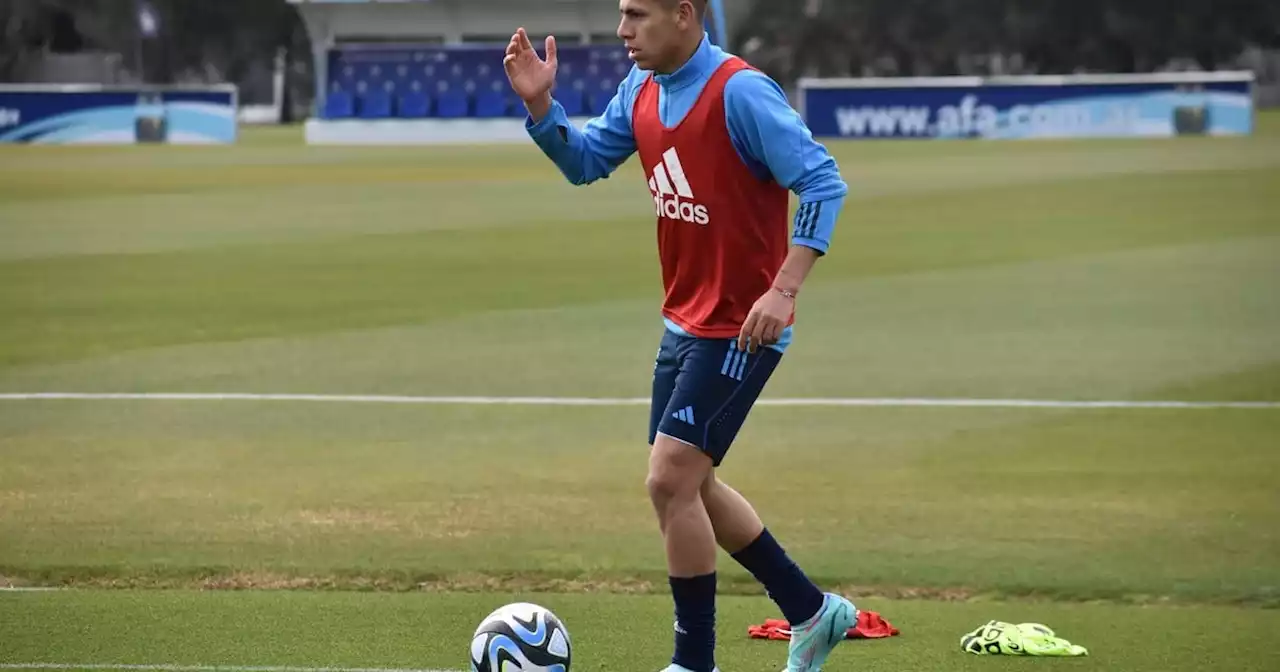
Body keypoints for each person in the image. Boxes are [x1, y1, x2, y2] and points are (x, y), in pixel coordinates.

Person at [504, 1, 856, 670]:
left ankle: (694, 662)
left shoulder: (740, 93)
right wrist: (543, 108)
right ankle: (814, 612)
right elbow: (584, 163)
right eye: (621, 14)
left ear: (685, 15)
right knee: (687, 485)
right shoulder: (640, 88)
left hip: (743, 327)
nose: (622, 30)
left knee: (670, 480)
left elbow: (822, 182)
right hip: (683, 322)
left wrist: (783, 290)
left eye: (637, 14)